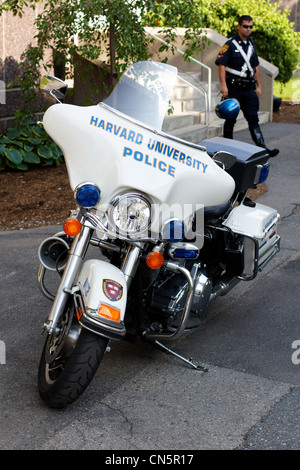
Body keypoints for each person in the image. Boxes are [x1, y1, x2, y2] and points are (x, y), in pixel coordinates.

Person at [215, 15, 279, 157]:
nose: (248, 29)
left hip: (249, 90)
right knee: (230, 119)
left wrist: (259, 86)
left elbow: (255, 67)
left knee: (253, 119)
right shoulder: (230, 44)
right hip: (234, 89)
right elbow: (221, 65)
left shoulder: (251, 45)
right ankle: (227, 149)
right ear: (239, 26)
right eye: (245, 26)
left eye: (251, 26)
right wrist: (223, 86)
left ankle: (263, 149)